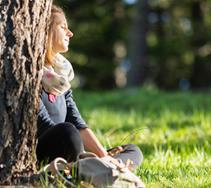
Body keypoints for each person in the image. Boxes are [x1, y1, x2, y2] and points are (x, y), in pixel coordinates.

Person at [36, 5, 143, 171]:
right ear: (45, 31)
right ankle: (91, 169)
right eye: (63, 27)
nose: (70, 33)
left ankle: (100, 168)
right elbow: (44, 125)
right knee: (67, 132)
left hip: (72, 148)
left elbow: (78, 123)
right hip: (48, 149)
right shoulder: (30, 74)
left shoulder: (59, 77)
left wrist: (103, 156)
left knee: (132, 150)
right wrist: (81, 150)